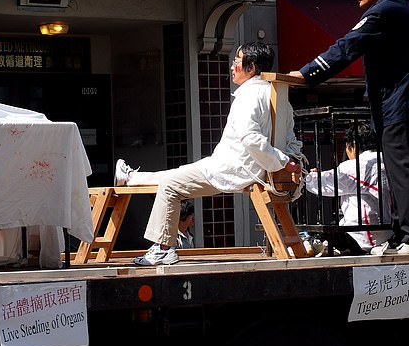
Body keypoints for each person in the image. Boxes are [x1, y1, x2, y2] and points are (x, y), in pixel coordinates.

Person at [288, 0, 409, 255]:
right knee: (397, 170)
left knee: (402, 170)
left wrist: (308, 73)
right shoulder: (392, 9)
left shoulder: (386, 11)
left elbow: (347, 45)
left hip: (399, 103)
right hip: (395, 103)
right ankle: (406, 234)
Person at [115, 41, 304, 266]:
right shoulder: (280, 96)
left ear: (251, 67)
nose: (232, 66)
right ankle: (131, 177)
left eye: (236, 61)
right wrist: (290, 160)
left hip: (234, 168)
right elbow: (291, 139)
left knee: (170, 183)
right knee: (176, 174)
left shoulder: (248, 94)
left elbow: (251, 138)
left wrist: (283, 162)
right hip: (250, 168)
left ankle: (163, 249)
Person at [305, 122, 393, 255]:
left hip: (360, 237)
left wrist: (311, 175)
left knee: (312, 237)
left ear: (352, 145)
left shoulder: (355, 166)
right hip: (388, 235)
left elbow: (319, 184)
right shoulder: (388, 161)